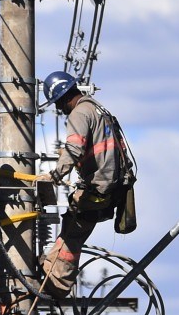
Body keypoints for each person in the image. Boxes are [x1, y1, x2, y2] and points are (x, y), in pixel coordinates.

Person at [38, 70, 135, 299]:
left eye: (58, 103)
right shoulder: (98, 109)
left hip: (99, 187)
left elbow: (74, 148)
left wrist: (55, 175)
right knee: (73, 229)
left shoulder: (79, 113)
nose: (59, 109)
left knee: (72, 231)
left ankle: (55, 285)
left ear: (63, 97)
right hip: (114, 186)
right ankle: (51, 271)